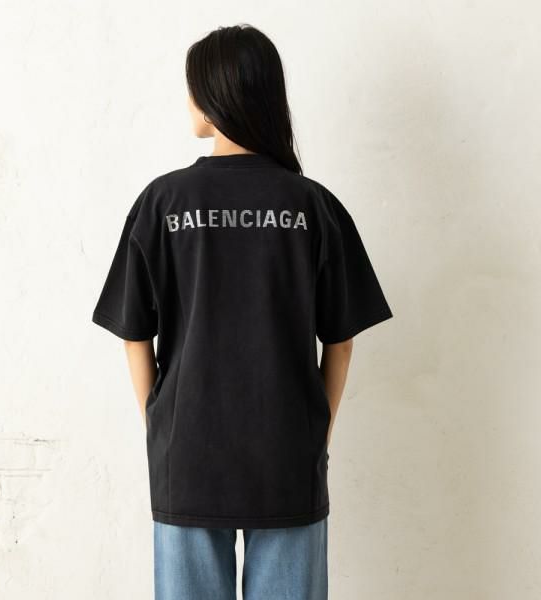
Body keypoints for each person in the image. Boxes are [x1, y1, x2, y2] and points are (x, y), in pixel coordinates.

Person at [91, 23, 393, 600]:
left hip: (187, 456)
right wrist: (316, 433)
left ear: (215, 97)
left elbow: (134, 335)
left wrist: (162, 429)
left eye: (192, 87)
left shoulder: (163, 202)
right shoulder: (313, 206)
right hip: (288, 454)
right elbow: (341, 340)